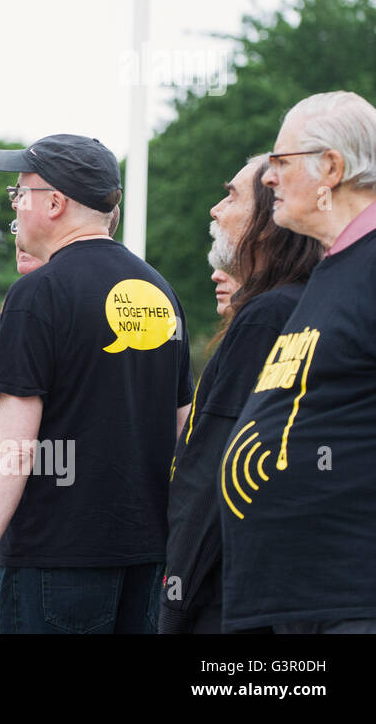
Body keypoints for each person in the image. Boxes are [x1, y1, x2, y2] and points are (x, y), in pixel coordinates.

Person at [0, 134, 193, 635]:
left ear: (54, 203)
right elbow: (183, 430)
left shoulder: (37, 294)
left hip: (56, 560)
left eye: (20, 193)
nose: (15, 203)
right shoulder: (159, 291)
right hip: (145, 559)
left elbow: (9, 447)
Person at [221, 91, 376, 633]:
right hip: (295, 604)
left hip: (349, 604)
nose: (268, 177)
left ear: (330, 168)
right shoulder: (334, 270)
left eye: (280, 163)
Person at [162, 156, 320, 634]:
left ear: (268, 221)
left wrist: (175, 595)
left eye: (231, 196)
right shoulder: (303, 301)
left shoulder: (268, 316)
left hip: (227, 593)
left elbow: (218, 466)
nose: (214, 210)